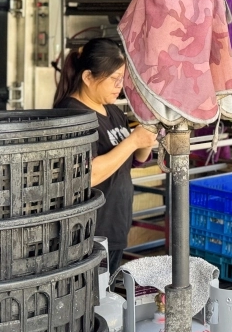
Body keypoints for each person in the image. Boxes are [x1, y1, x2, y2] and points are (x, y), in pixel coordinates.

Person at [54, 38, 156, 272]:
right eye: (113, 79)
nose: (119, 85)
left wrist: (148, 132)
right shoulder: (70, 115)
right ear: (88, 77)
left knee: (105, 300)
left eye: (122, 79)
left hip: (114, 224)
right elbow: (85, 176)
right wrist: (133, 141)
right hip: (87, 234)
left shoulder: (113, 111)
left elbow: (135, 160)